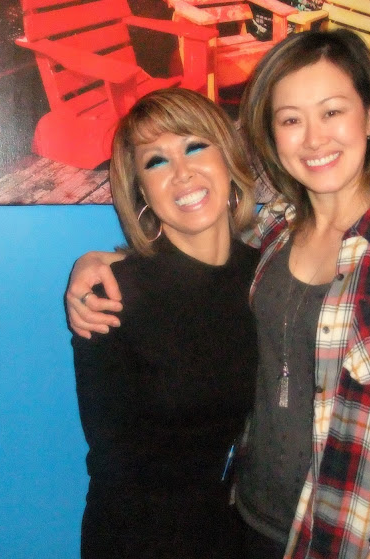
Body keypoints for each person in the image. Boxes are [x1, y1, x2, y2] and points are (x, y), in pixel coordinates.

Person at [67, 30, 370, 559]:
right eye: (291, 120)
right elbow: (193, 273)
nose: (313, 139)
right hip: (240, 524)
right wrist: (104, 263)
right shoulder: (273, 238)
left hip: (342, 542)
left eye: (332, 111)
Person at [70, 87, 259, 558]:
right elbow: (115, 470)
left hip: (240, 533)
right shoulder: (110, 298)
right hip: (142, 541)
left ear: (227, 157)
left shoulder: (269, 277)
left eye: (195, 146)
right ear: (142, 192)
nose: (182, 172)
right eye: (156, 161)